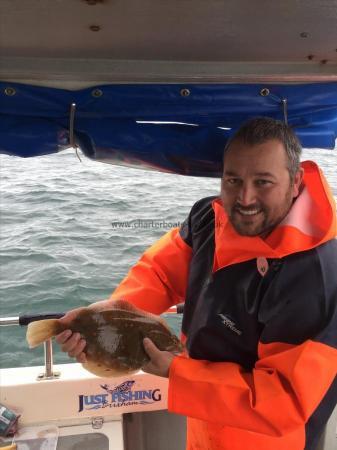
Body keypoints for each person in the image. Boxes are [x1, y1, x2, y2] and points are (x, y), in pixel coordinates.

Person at [56, 117, 337, 450]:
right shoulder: (208, 217)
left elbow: (285, 401)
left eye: (263, 182)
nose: (244, 198)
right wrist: (107, 319)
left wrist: (177, 373)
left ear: (295, 182)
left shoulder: (315, 276)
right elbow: (159, 272)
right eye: (233, 180)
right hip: (205, 422)